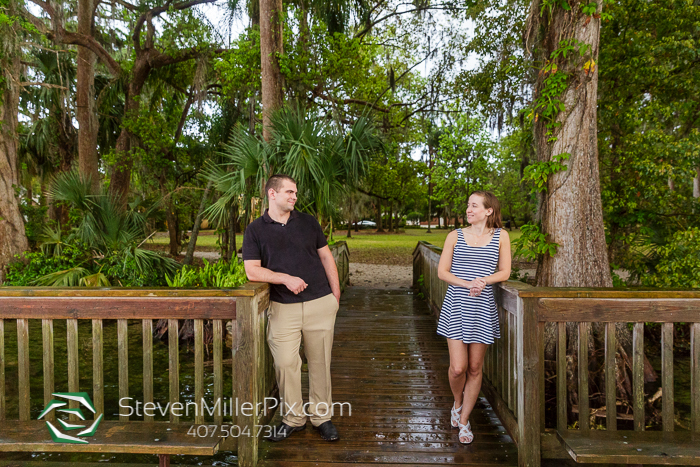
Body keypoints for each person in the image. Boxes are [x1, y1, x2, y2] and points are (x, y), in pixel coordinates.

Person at [243, 174, 341, 442]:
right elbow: (252, 270)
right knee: (286, 362)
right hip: (282, 307)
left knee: (320, 362)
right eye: (289, 192)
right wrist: (284, 278)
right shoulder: (255, 229)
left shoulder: (308, 222)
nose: (294, 197)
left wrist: (336, 294)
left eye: (295, 193)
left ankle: (322, 417)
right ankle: (294, 418)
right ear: (271, 194)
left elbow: (325, 256)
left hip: (320, 302)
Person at [436, 191, 511, 444]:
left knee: (475, 368)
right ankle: (457, 402)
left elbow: (505, 271)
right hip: (457, 306)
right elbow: (442, 272)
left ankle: (465, 420)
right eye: (468, 205)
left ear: (489, 210)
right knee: (458, 368)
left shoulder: (501, 236)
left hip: (483, 309)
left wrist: (483, 281)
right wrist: (468, 284)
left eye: (474, 205)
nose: (468, 209)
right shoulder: (454, 236)